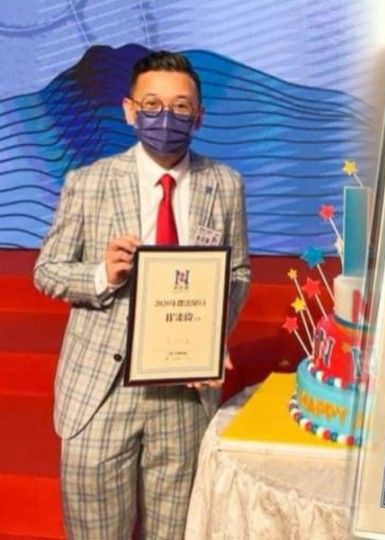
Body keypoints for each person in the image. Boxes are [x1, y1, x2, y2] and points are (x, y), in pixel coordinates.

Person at [33, 50, 250, 539]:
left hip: (183, 394)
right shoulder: (88, 182)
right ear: (130, 111)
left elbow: (237, 271)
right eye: (152, 104)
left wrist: (210, 334)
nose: (165, 117)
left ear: (199, 116)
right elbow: (47, 271)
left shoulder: (225, 184)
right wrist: (102, 275)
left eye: (180, 106)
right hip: (101, 391)